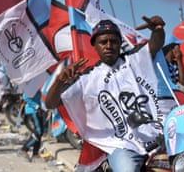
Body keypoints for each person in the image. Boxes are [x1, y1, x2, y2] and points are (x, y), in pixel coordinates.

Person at [45, 17, 166, 172]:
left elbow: (155, 44)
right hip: (122, 146)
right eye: (103, 42)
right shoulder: (86, 78)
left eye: (113, 41)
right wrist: (60, 80)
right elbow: (50, 103)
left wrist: (158, 29)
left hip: (155, 137)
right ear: (94, 45)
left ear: (120, 43)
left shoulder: (134, 59)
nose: (109, 45)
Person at [17, 90, 44, 162]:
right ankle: (24, 149)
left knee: (40, 132)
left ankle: (35, 153)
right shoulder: (31, 85)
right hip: (32, 111)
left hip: (38, 111)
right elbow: (25, 97)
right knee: (38, 132)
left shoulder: (37, 84)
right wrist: (36, 106)